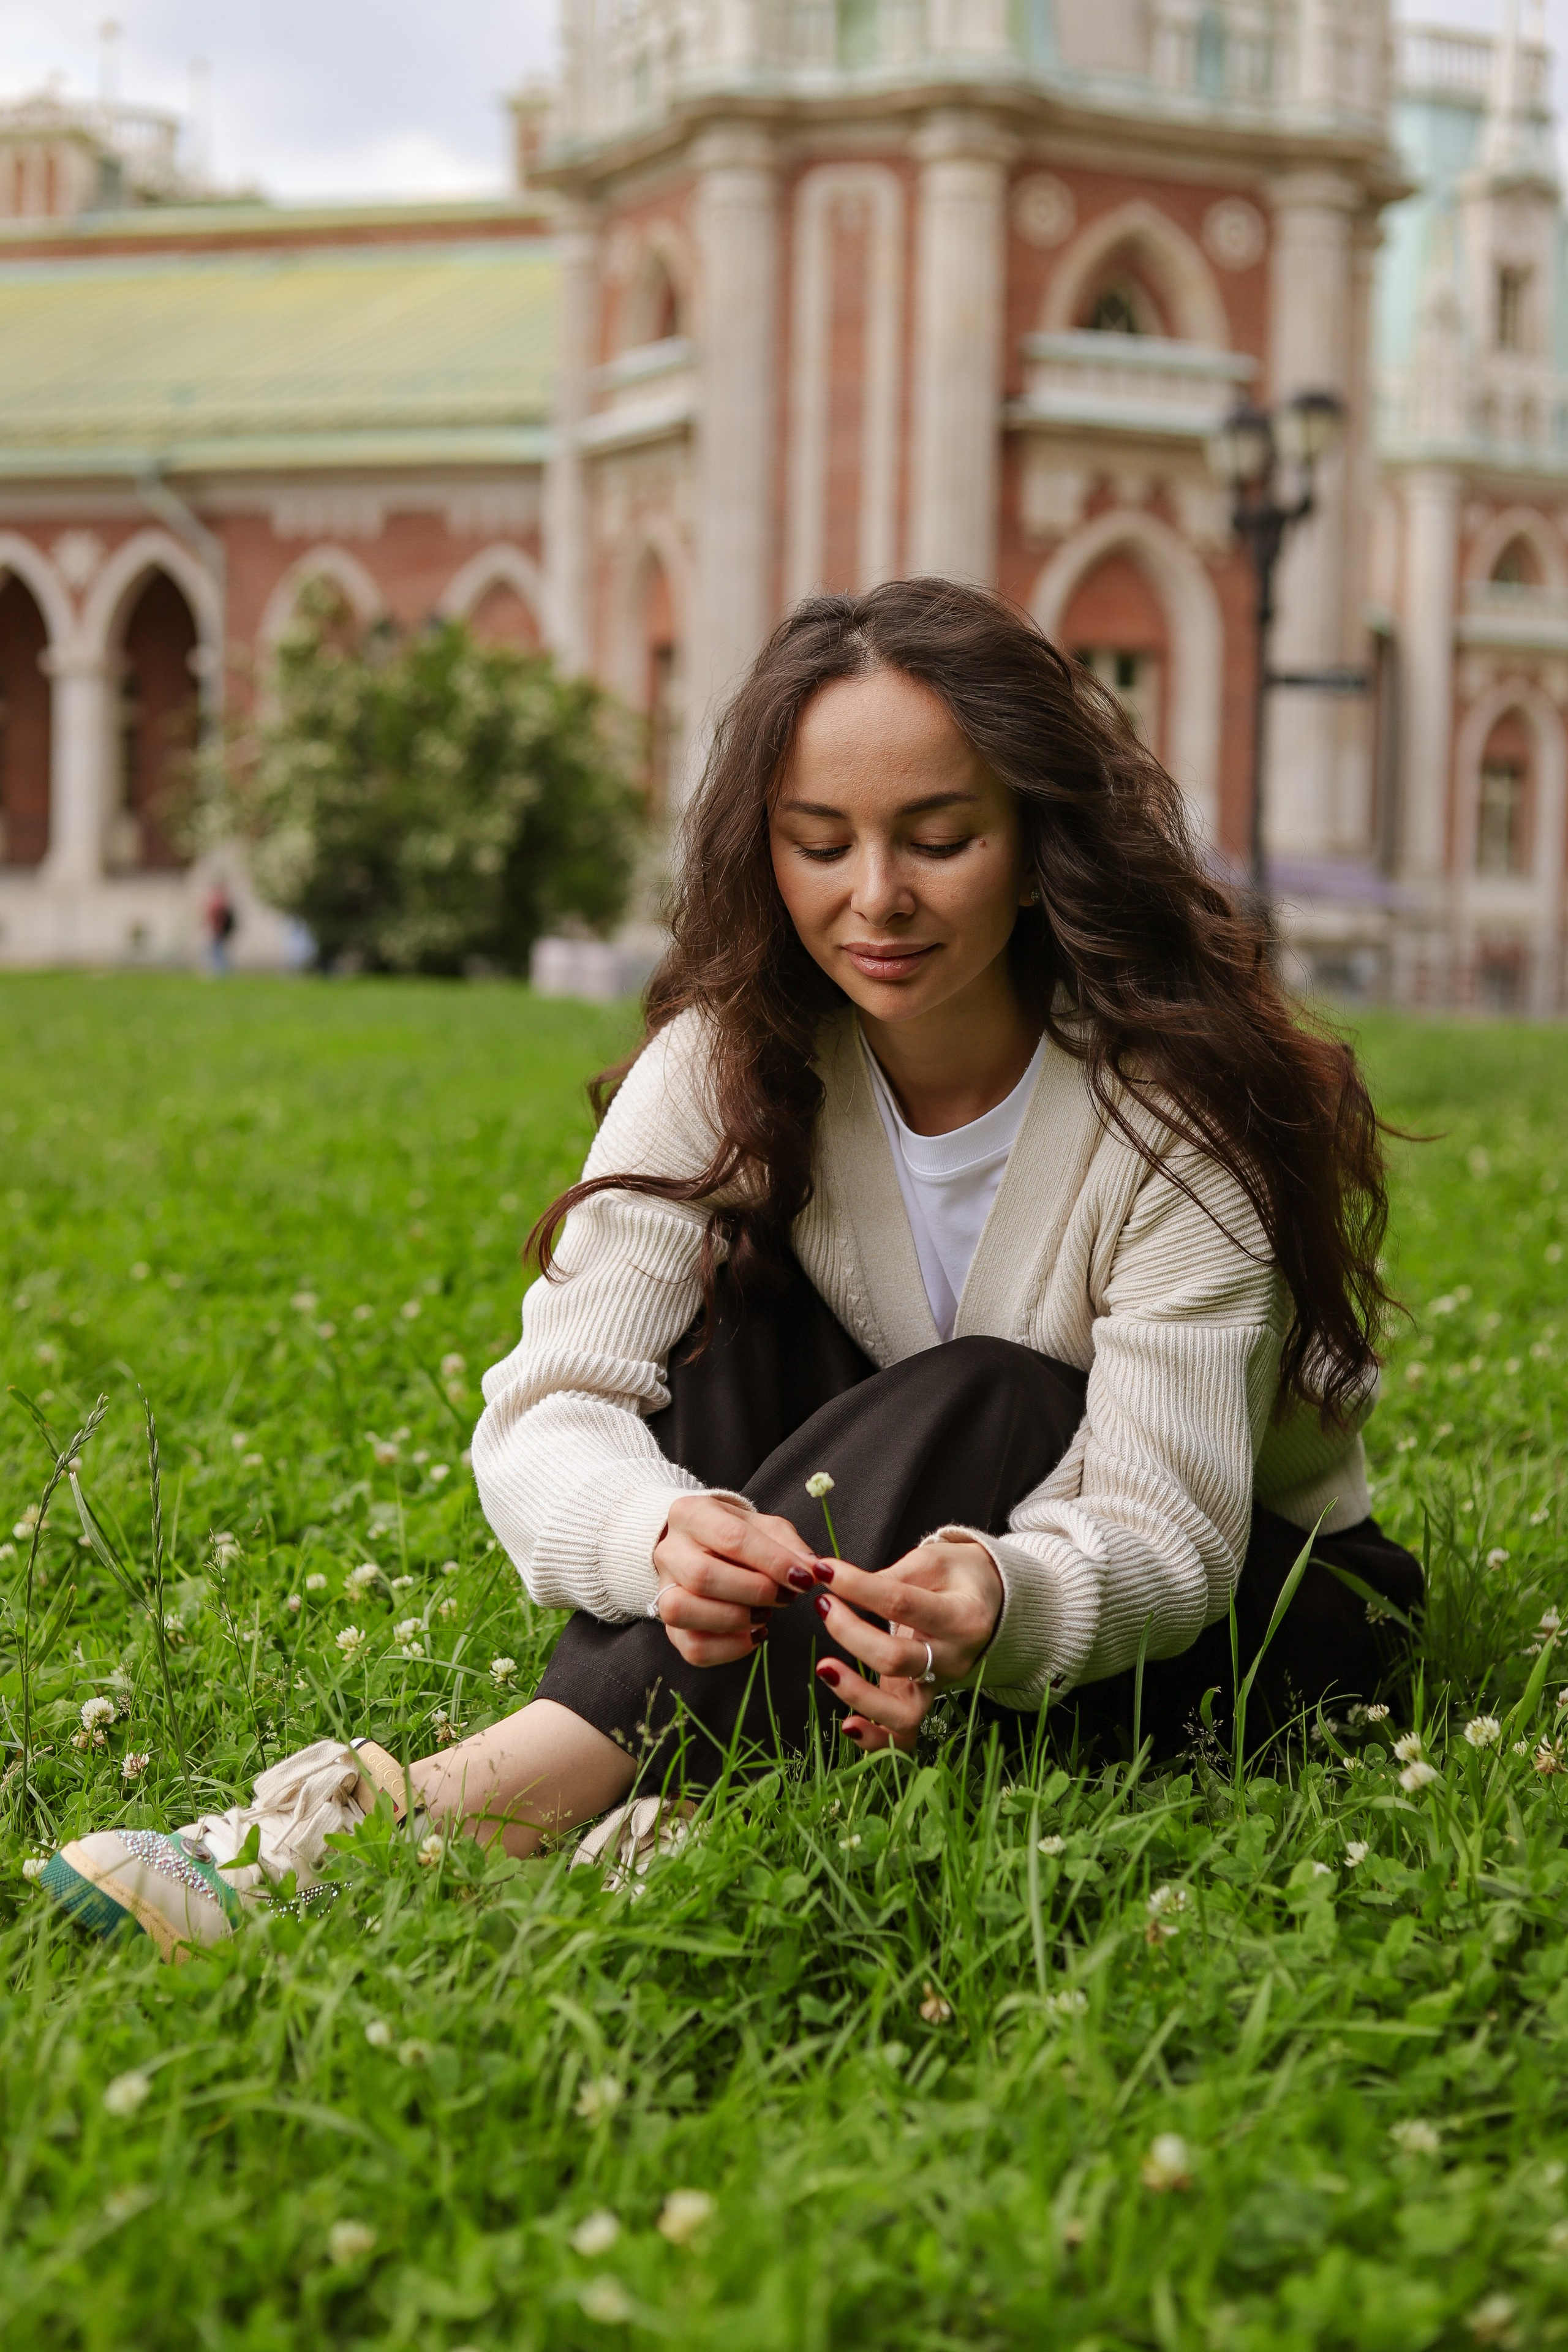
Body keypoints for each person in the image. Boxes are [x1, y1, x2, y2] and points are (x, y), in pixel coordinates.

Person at [39, 579, 1420, 1958]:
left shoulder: (1174, 1118)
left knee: (994, 1390)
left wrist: (1002, 1602)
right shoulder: (733, 1054)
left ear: (1035, 843)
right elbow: (550, 1407)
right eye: (819, 843)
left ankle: (426, 1813)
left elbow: (1169, 1535)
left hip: (1244, 1616)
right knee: (721, 1331)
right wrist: (660, 1539)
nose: (874, 898)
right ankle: (684, 1803)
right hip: (887, 1615)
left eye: (939, 840)